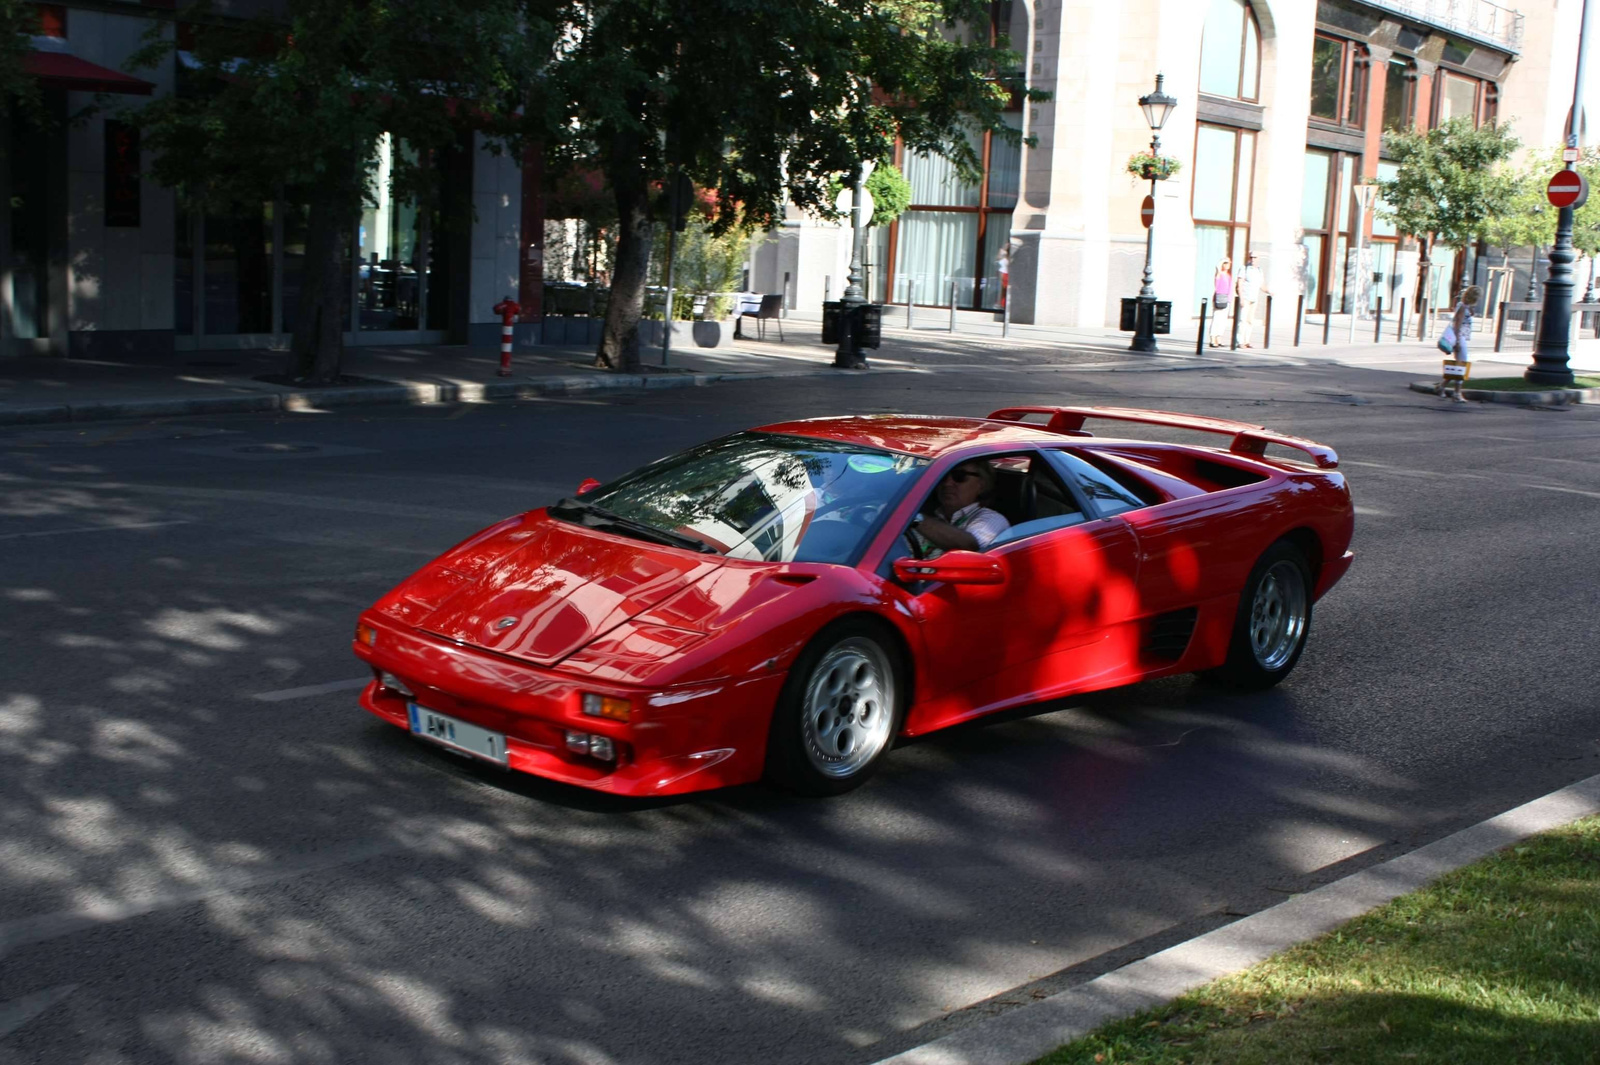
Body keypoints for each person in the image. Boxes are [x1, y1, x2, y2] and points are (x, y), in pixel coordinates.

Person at [908, 459, 1011, 557]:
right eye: (943, 476)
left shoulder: (992, 519)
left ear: (981, 485)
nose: (947, 483)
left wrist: (912, 516)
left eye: (959, 476)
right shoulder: (929, 521)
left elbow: (968, 547)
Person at [1437, 284, 1481, 403]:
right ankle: (1457, 393)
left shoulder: (1464, 306)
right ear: (1474, 297)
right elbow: (1457, 325)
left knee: (1457, 366)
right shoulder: (1462, 307)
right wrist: (1457, 342)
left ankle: (1442, 386)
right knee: (1462, 365)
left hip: (1462, 338)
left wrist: (1471, 308)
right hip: (1460, 338)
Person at [1235, 251, 1265, 348]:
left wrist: (1269, 291)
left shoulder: (1259, 270)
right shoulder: (1244, 268)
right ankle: (1240, 341)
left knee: (1250, 321)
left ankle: (1247, 341)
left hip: (1254, 298)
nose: (1253, 259)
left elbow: (1261, 285)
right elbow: (1239, 283)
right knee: (1242, 320)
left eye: (1255, 257)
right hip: (1246, 297)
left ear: (1258, 258)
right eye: (1251, 257)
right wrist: (1241, 298)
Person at [1210, 258, 1234, 347]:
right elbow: (1216, 281)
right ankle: (1213, 338)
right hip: (1219, 299)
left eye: (1229, 263)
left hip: (1227, 300)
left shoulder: (1228, 275)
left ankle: (1219, 337)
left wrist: (1230, 300)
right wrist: (1220, 264)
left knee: (1223, 321)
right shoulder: (1219, 274)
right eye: (1226, 263)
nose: (1228, 265)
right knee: (1216, 319)